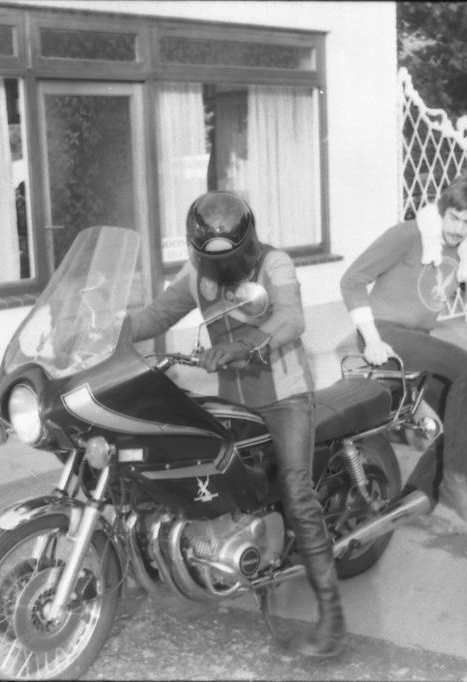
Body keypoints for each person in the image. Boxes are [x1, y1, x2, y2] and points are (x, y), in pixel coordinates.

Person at [129, 190, 344, 658]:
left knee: (298, 493)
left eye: (227, 253)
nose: (218, 265)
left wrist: (246, 345)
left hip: (285, 397)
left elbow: (291, 317)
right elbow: (157, 315)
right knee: (212, 479)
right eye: (210, 255)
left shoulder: (274, 264)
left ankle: (332, 620)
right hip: (233, 401)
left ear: (246, 242)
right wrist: (109, 333)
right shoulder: (195, 274)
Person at [339, 174, 467, 526]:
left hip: (417, 340)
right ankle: (456, 482)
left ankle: (417, 497)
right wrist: (372, 338)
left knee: (460, 412)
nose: (457, 229)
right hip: (383, 335)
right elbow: (352, 280)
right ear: (442, 210)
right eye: (453, 218)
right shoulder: (410, 235)